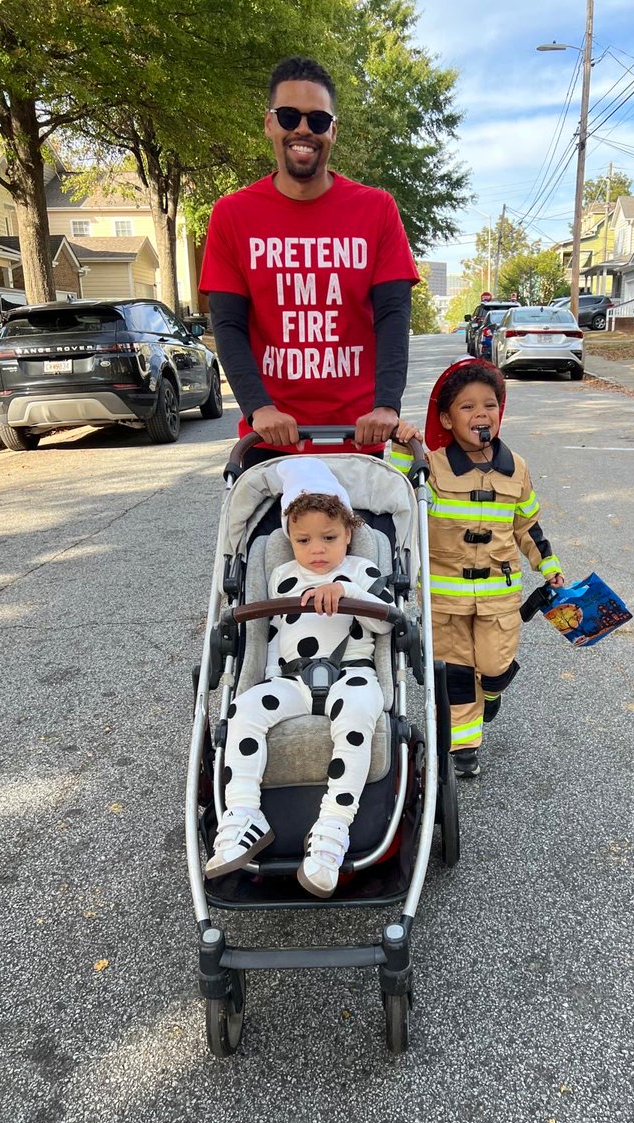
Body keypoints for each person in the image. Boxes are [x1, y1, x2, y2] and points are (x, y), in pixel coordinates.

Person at [198, 55, 419, 464]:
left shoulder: (376, 209)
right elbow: (227, 324)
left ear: (333, 131)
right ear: (269, 124)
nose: (303, 129)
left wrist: (387, 405)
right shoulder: (232, 214)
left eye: (317, 120)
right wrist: (258, 407)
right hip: (271, 439)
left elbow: (393, 315)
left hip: (359, 436)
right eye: (288, 116)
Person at [205, 458, 393, 896]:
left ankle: (332, 828)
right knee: (244, 710)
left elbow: (387, 624)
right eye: (304, 539)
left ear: (349, 534)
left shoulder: (363, 573)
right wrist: (262, 677)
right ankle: (243, 814)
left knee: (360, 714)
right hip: (290, 678)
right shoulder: (280, 575)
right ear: (289, 539)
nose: (318, 548)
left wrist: (346, 593)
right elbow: (266, 635)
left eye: (330, 537)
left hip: (352, 673)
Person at [391, 359, 563, 778]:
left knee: (494, 666)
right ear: (447, 419)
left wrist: (549, 564)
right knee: (456, 676)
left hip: (498, 597)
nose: (481, 414)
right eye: (467, 408)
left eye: (490, 404)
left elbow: (527, 524)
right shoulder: (430, 465)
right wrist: (401, 450)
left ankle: (493, 692)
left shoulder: (516, 468)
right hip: (444, 598)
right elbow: (397, 499)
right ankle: (464, 747)